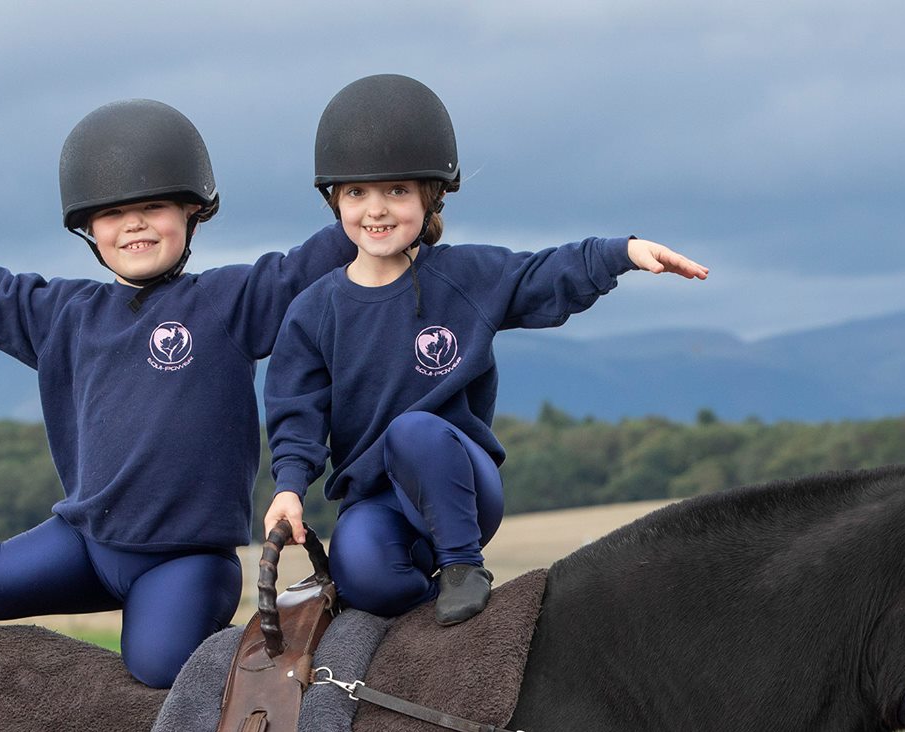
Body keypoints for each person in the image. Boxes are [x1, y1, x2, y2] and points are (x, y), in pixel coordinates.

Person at [0, 99, 356, 686]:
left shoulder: (230, 301)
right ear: (89, 230)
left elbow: (304, 268)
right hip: (83, 543)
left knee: (157, 668)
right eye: (112, 214)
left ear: (191, 211)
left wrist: (370, 204)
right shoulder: (65, 315)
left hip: (186, 563)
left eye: (152, 207)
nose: (133, 224)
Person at [262, 75, 707, 626]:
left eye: (396, 191)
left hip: (463, 489)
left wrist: (623, 252)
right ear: (335, 201)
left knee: (414, 429)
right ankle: (432, 610)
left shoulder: (465, 276)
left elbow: (542, 272)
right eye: (357, 193)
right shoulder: (312, 310)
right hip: (376, 501)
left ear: (431, 195)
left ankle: (463, 567)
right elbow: (296, 412)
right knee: (363, 576)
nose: (375, 210)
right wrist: (287, 488)